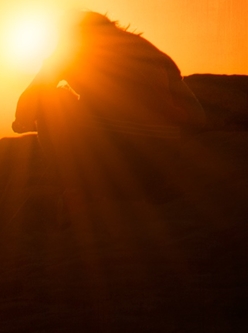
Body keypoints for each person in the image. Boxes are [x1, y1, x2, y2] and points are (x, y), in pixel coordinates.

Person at [12, 12, 206, 203]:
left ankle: (76, 189)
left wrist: (28, 120)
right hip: (162, 168)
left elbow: (26, 106)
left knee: (53, 99)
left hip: (114, 168)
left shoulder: (73, 51)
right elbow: (198, 116)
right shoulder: (150, 51)